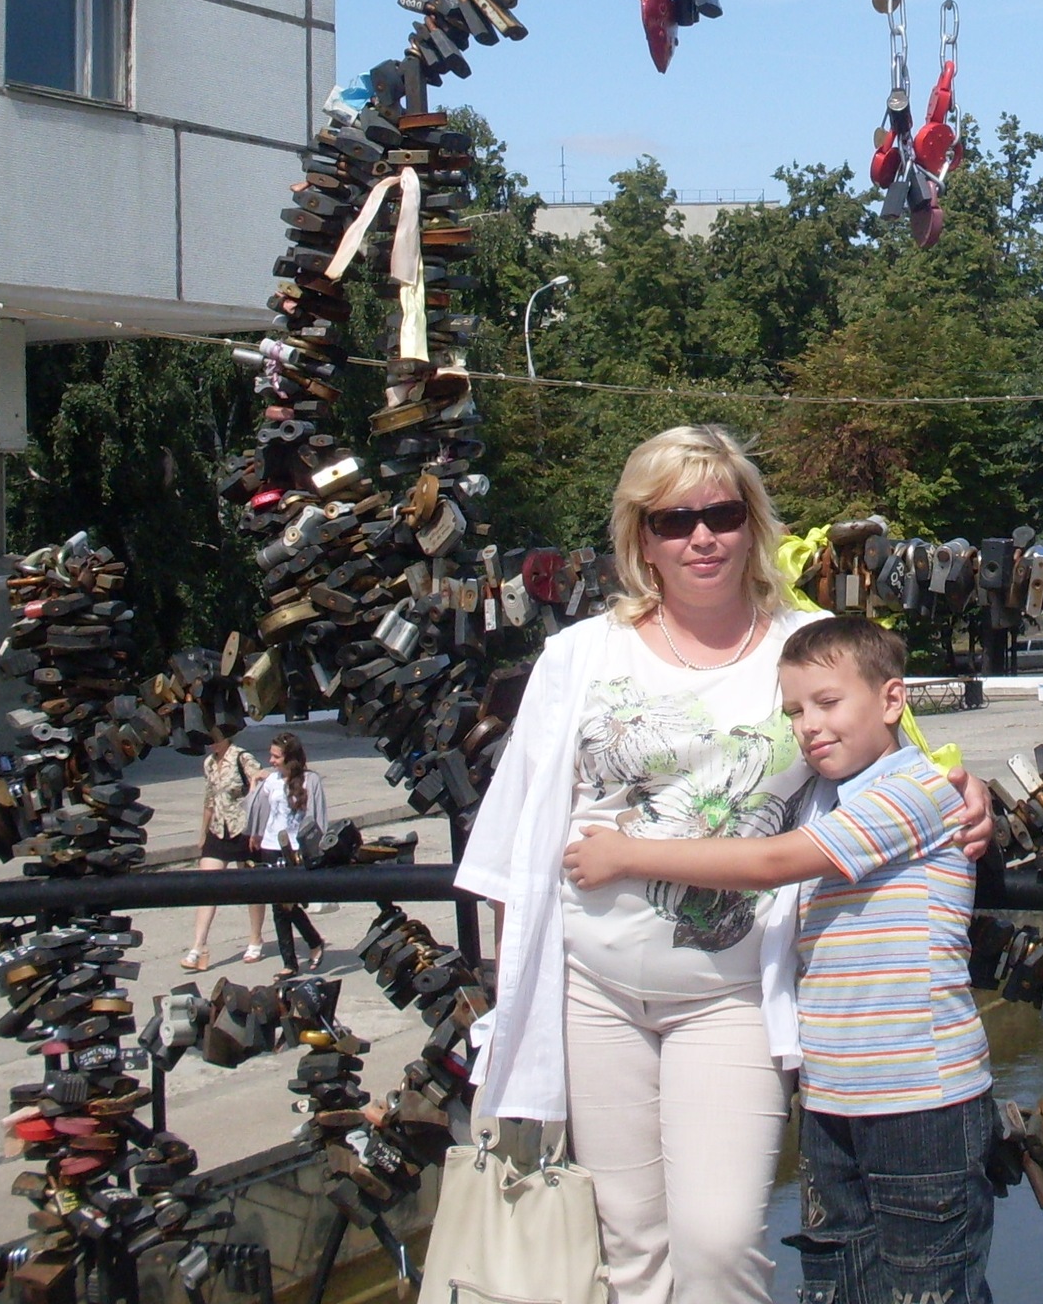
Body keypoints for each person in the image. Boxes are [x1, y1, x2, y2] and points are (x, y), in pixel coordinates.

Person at [453, 423, 995, 1304]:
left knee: (718, 1243)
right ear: (642, 538)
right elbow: (520, 832)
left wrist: (972, 789)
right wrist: (511, 991)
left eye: (722, 514)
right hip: (592, 991)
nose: (701, 537)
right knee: (629, 1245)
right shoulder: (580, 655)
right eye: (674, 520)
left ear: (752, 523)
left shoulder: (809, 642)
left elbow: (900, 758)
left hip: (731, 995)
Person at [567, 617, 993, 1304]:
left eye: (828, 702)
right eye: (794, 711)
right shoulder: (825, 799)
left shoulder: (916, 791)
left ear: (892, 700)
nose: (809, 726)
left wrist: (626, 855)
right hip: (831, 1096)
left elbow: (768, 862)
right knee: (839, 1281)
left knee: (931, 1285)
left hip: (920, 1095)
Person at [182, 717, 266, 971]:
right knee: (207, 887)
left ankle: (255, 939)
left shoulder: (242, 757)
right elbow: (209, 799)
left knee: (251, 887)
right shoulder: (209, 763)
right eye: (209, 740)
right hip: (218, 829)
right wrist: (202, 833)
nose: (212, 744)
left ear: (227, 737)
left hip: (244, 829)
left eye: (216, 739)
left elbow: (262, 783)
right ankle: (198, 946)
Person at [245, 730, 330, 970]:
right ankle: (292, 961)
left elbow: (318, 817)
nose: (271, 761)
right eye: (271, 755)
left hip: (295, 848)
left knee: (288, 903)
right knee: (279, 905)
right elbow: (255, 810)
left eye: (276, 757)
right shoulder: (271, 780)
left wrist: (317, 848)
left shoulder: (310, 780)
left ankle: (309, 946)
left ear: (290, 758)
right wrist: (254, 785)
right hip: (270, 846)